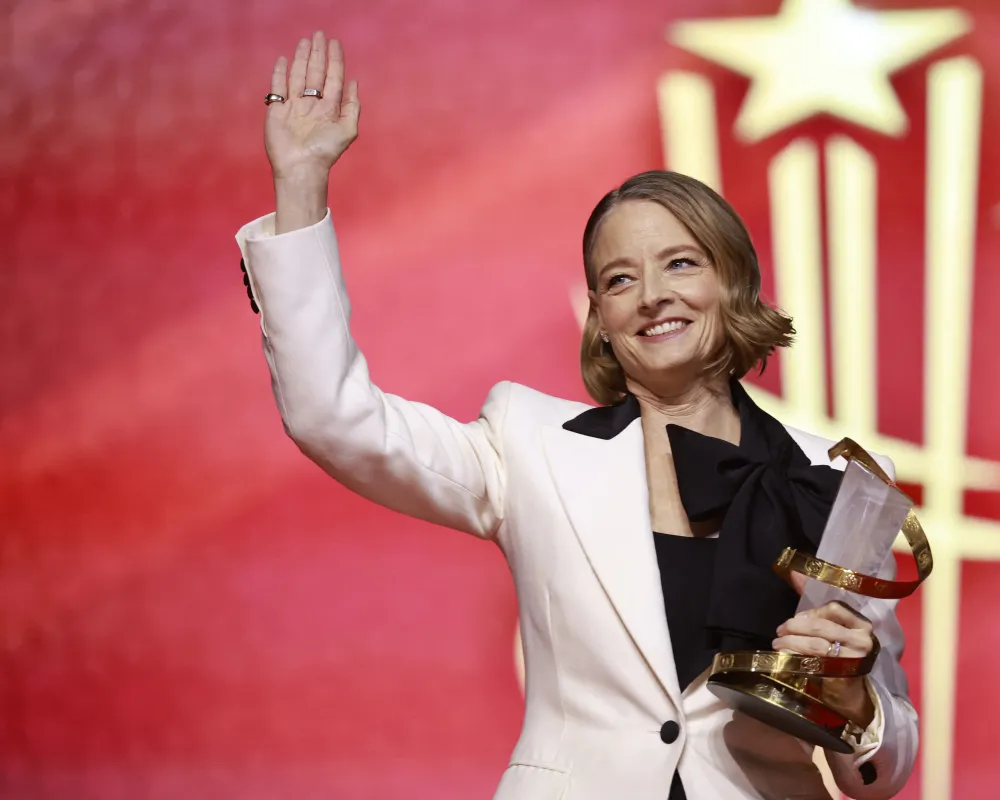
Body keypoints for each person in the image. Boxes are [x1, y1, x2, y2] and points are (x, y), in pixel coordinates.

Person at [236, 31, 917, 800]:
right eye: (620, 279)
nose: (652, 296)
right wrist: (300, 188)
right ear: (601, 319)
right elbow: (333, 418)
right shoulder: (530, 445)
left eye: (680, 263)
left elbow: (881, 769)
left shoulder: (837, 480)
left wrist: (858, 704)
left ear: (733, 282)